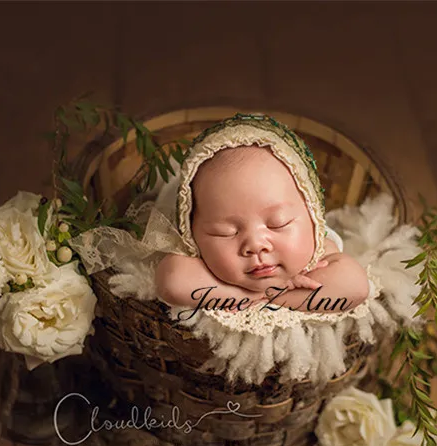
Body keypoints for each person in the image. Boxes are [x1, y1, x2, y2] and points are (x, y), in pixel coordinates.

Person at [155, 114, 369, 314]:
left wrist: (270, 297)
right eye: (226, 232)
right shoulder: (195, 251)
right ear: (193, 233)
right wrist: (246, 295)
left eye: (278, 224)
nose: (256, 246)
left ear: (312, 216)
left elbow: (355, 288)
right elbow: (173, 282)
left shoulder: (319, 246)